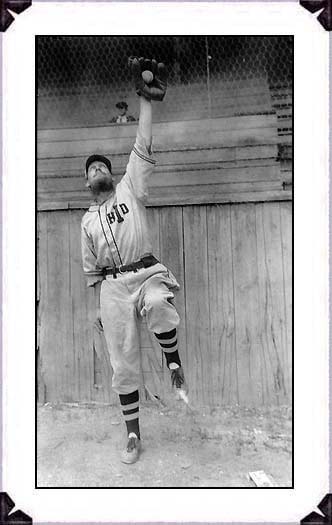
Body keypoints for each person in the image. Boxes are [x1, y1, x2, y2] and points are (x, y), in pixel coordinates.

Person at [81, 57, 187, 464]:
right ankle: (132, 435)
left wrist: (146, 104)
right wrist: (100, 309)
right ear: (86, 182)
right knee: (121, 364)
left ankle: (174, 365)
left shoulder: (128, 187)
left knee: (160, 304)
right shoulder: (87, 221)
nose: (97, 170)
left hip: (144, 273)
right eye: (91, 169)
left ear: (110, 173)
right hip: (111, 287)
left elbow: (141, 145)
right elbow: (92, 271)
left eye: (101, 165)